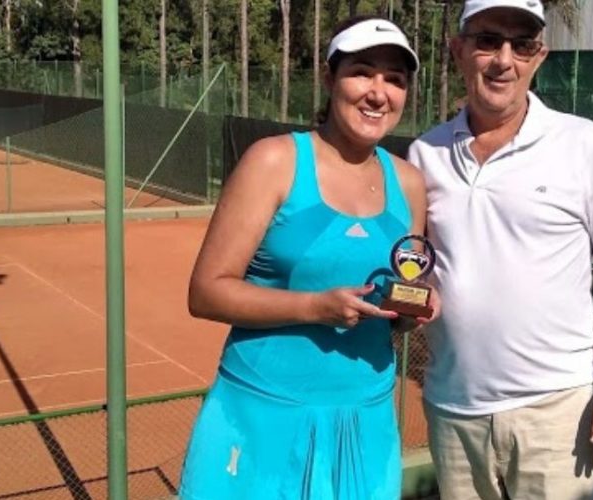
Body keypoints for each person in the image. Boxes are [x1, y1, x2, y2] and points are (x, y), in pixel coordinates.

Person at [180, 16, 433, 500]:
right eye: (362, 72)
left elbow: (399, 304)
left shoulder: (410, 183)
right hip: (262, 417)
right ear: (329, 77)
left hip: (367, 423)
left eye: (395, 79)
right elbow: (206, 292)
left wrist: (410, 310)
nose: (378, 92)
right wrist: (315, 307)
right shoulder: (273, 160)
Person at [408, 1, 593, 498]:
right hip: (454, 411)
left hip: (557, 412)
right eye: (487, 41)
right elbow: (417, 265)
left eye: (522, 45)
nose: (504, 60)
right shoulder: (424, 153)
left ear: (539, 56)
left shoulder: (581, 142)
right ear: (458, 50)